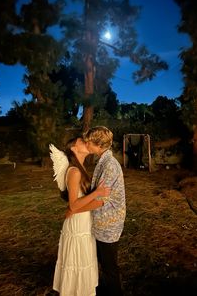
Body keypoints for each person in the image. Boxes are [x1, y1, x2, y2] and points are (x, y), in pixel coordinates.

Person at [69, 126, 126, 295]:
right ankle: (106, 289)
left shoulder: (109, 165)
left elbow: (100, 201)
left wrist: (75, 210)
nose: (86, 144)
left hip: (109, 223)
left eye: (89, 142)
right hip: (103, 222)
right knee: (104, 263)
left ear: (98, 145)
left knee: (110, 267)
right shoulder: (103, 161)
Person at [50, 137, 110, 296]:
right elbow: (74, 205)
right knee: (77, 261)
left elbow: (76, 207)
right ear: (73, 149)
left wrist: (99, 202)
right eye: (82, 141)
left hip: (83, 220)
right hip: (77, 225)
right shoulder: (74, 171)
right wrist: (98, 195)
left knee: (84, 260)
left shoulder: (81, 168)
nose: (86, 142)